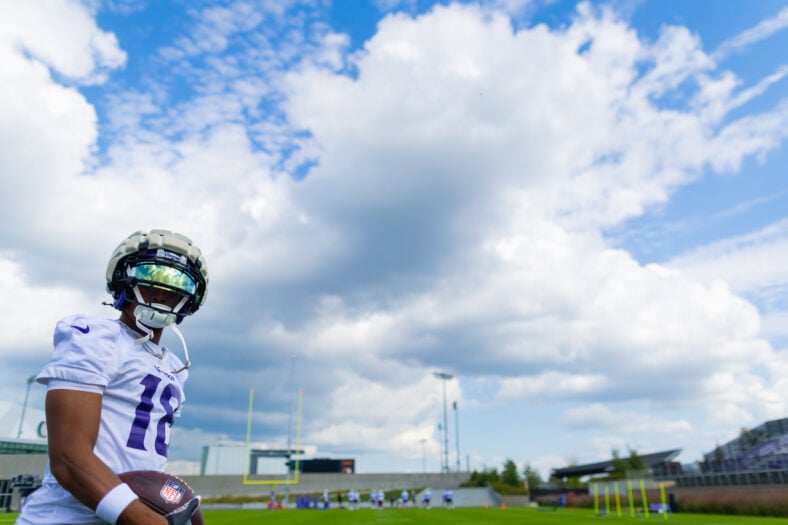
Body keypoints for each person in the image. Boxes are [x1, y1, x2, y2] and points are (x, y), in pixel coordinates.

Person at [16, 230, 209, 525]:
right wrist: (145, 519)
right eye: (149, 276)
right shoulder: (97, 337)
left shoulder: (173, 366)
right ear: (123, 278)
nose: (160, 292)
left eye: (177, 284)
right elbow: (68, 457)